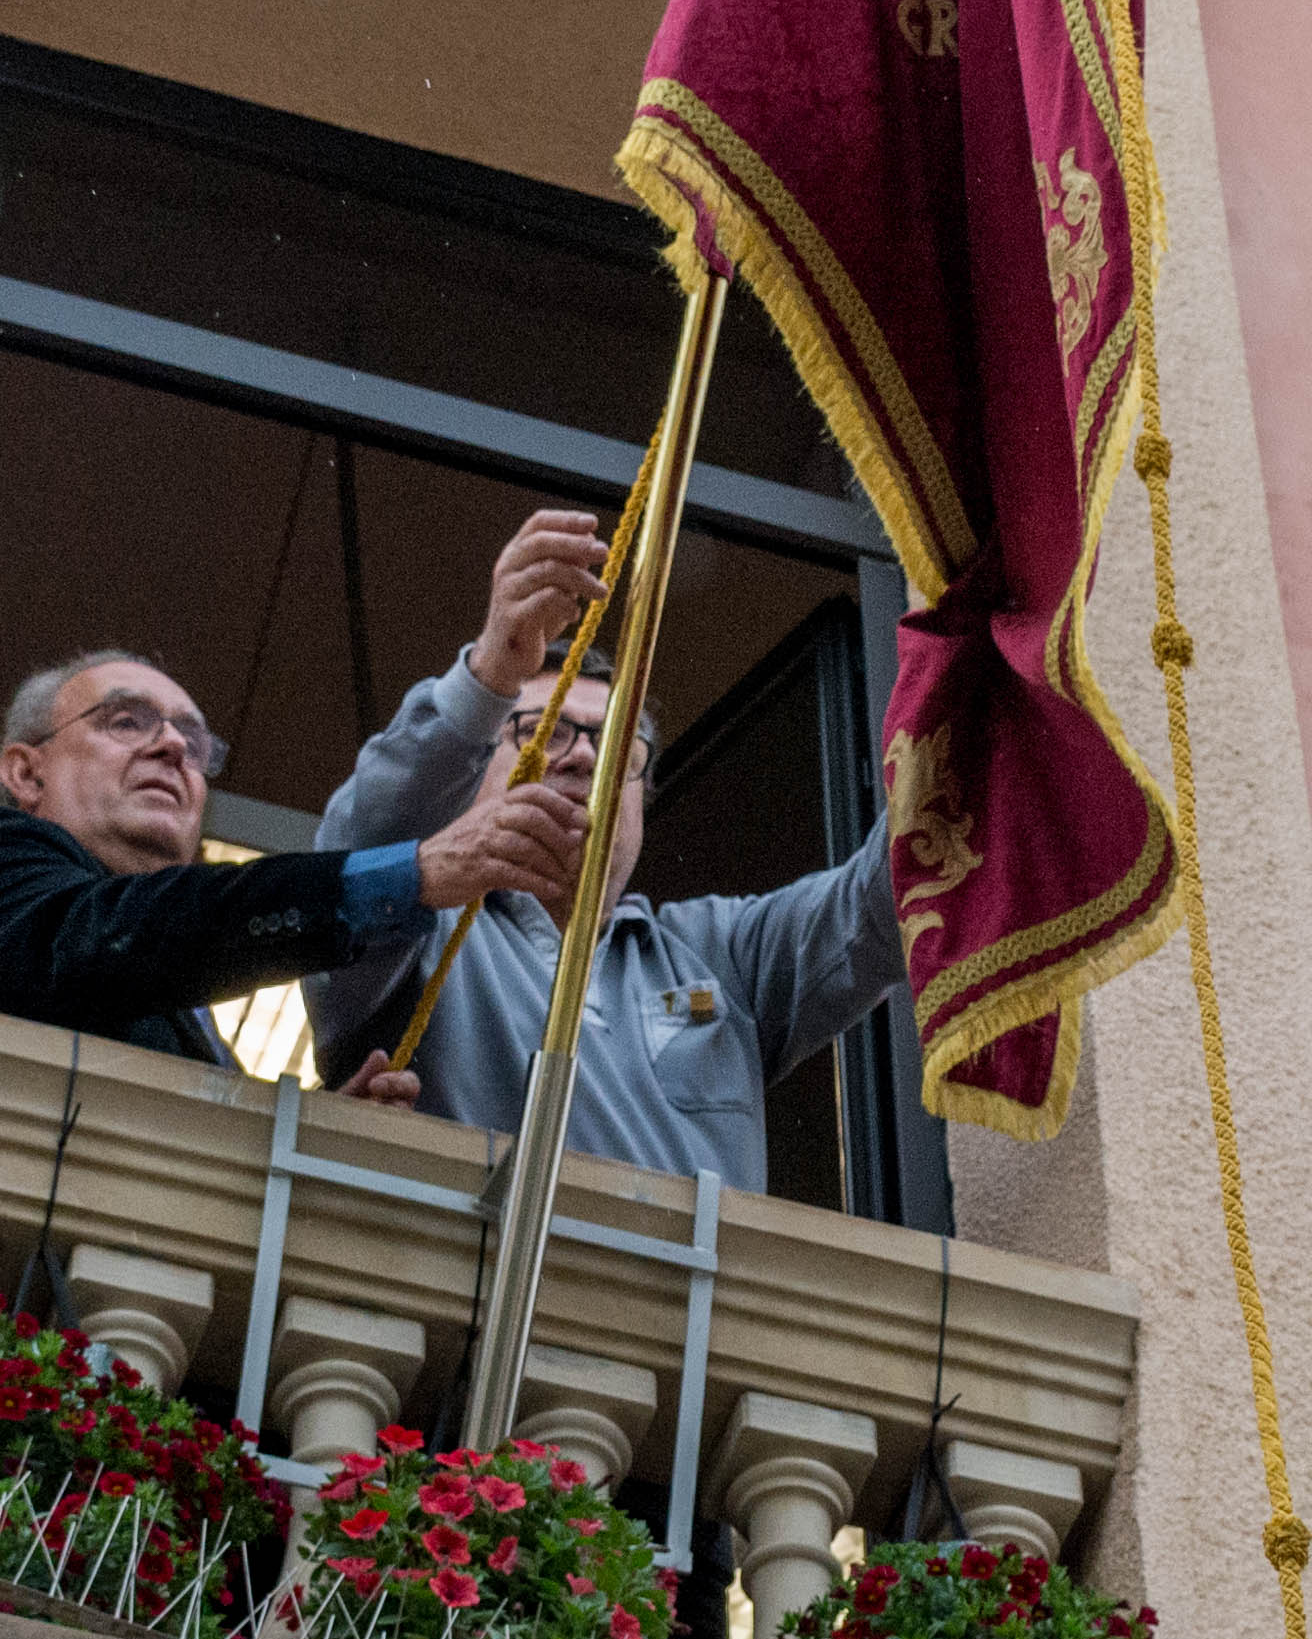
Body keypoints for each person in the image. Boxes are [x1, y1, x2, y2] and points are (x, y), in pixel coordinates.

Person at [309, 509, 902, 1195]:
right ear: (471, 771)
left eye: (614, 745)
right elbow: (348, 869)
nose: (586, 755)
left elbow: (882, 904)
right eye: (544, 731)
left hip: (682, 1301)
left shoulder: (721, 956)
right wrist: (489, 672)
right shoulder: (419, 931)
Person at [0, 648, 579, 1064]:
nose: (174, 748)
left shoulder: (193, 1010)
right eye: (128, 721)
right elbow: (120, 935)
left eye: (193, 740)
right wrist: (411, 873)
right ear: (26, 774)